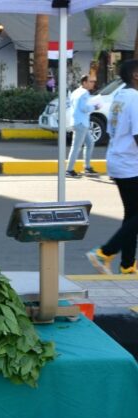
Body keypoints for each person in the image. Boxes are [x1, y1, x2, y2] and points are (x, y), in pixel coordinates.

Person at [86, 59, 138, 275]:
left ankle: (127, 265)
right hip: (130, 164)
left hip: (118, 160)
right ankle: (105, 252)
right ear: (136, 75)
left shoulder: (120, 96)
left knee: (132, 215)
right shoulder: (135, 98)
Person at [65, 75, 101, 178]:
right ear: (84, 82)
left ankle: (87, 167)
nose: (93, 83)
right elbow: (84, 108)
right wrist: (95, 106)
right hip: (81, 123)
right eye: (90, 81)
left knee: (90, 143)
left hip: (78, 122)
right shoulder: (84, 93)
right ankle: (69, 170)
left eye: (93, 81)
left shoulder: (76, 92)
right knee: (76, 147)